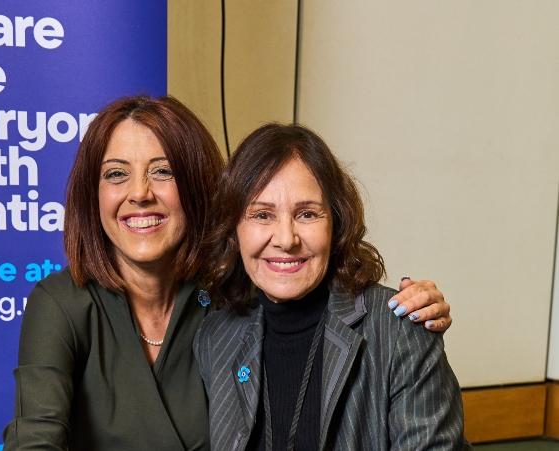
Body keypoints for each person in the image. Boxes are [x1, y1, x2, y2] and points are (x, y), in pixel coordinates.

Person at [3, 96, 453, 451]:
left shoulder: (224, 296)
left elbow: (315, 287)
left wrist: (412, 308)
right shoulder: (66, 303)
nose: (140, 193)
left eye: (163, 172)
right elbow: (34, 438)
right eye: (116, 174)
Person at [194, 123, 467, 450]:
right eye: (262, 215)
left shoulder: (400, 330)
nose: (285, 239)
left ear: (336, 223)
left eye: (307, 214)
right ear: (234, 228)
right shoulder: (215, 338)